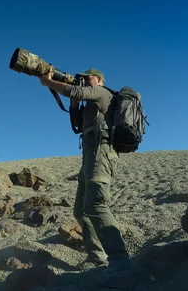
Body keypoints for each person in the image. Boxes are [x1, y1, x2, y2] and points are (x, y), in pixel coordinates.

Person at [39, 67, 131, 272]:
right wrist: (73, 104)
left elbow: (76, 91)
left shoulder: (102, 92)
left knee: (97, 205)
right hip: (90, 156)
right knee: (81, 210)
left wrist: (50, 82)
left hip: (102, 154)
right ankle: (97, 254)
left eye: (87, 77)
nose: (82, 80)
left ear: (99, 79)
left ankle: (121, 261)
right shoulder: (91, 103)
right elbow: (77, 126)